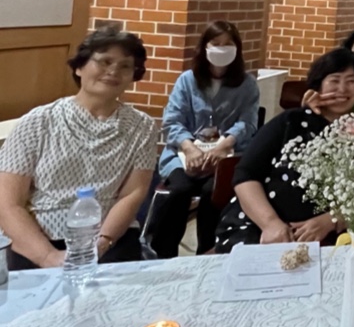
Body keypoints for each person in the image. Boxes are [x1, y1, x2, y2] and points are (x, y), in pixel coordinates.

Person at [0, 28, 157, 270]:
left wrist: (101, 244)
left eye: (125, 66)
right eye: (105, 61)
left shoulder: (143, 127)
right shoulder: (38, 122)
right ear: (79, 67)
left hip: (111, 238)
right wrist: (48, 257)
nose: (114, 71)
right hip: (39, 240)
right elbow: (8, 203)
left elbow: (132, 194)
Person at [214, 49, 354, 251]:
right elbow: (245, 174)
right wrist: (270, 224)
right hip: (259, 228)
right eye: (334, 80)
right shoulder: (291, 121)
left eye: (351, 81)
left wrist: (331, 220)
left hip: (329, 237)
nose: (342, 89)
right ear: (319, 85)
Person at [152, 21, 260, 258]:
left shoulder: (248, 84)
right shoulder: (187, 80)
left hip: (227, 154)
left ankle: (208, 253)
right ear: (204, 47)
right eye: (216, 43)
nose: (222, 49)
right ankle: (163, 255)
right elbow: (172, 121)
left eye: (228, 44)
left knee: (215, 192)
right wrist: (190, 149)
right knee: (179, 191)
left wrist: (224, 146)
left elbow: (248, 123)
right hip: (184, 153)